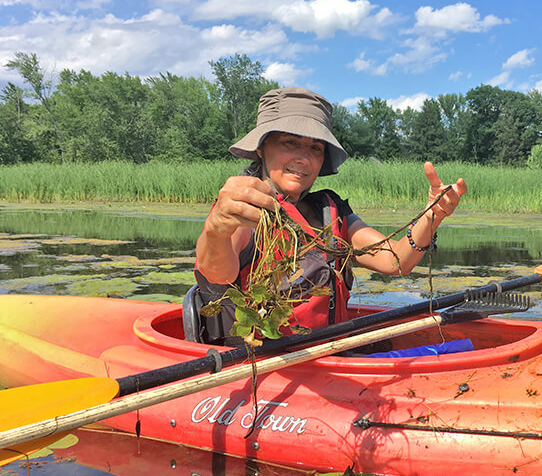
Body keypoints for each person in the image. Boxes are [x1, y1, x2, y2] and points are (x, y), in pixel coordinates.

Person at [194, 86, 467, 341]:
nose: (304, 158)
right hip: (270, 367)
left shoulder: (330, 210)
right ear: (261, 148)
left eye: (316, 148)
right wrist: (216, 229)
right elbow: (216, 274)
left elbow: (395, 261)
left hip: (332, 356)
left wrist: (432, 216)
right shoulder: (244, 207)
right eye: (290, 142)